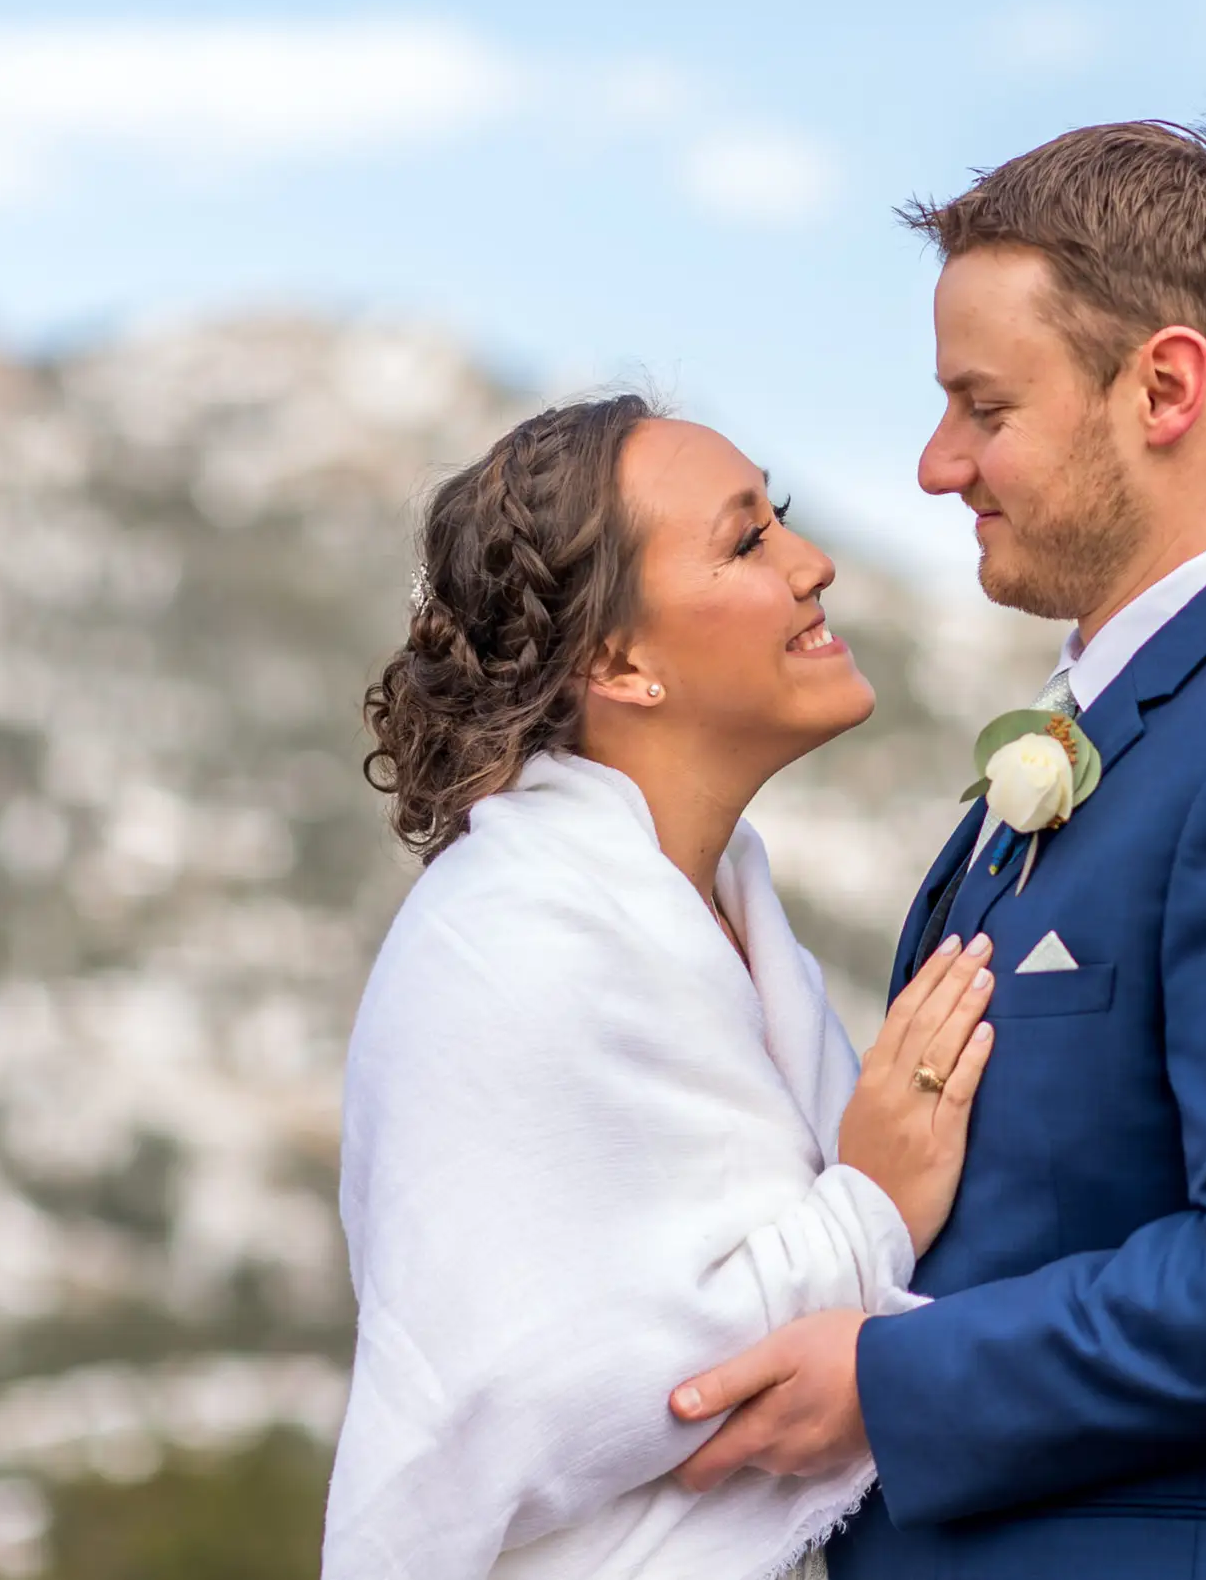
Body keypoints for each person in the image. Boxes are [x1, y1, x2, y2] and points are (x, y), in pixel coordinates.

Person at [666, 119, 1206, 1580]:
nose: (939, 464)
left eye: (982, 406)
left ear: (1167, 387)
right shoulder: (1149, 727)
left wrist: (886, 1383)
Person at [320, 395, 999, 1580]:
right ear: (618, 661)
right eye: (746, 541)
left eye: (777, 517)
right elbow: (516, 1394)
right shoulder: (507, 938)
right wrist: (869, 1205)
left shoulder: (733, 918)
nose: (812, 560)